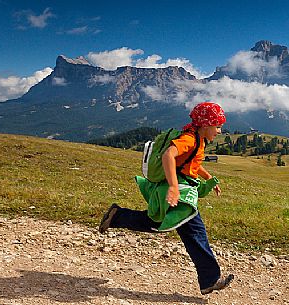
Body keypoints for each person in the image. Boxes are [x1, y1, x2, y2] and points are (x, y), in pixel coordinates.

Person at [98, 102, 234, 295]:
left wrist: (208, 177)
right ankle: (210, 279)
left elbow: (191, 162)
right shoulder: (190, 139)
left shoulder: (198, 140)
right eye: (217, 126)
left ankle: (117, 216)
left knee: (157, 222)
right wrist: (173, 186)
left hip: (183, 190)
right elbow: (169, 155)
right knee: (195, 232)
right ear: (205, 124)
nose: (220, 130)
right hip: (179, 194)